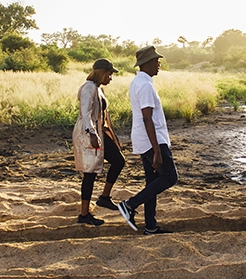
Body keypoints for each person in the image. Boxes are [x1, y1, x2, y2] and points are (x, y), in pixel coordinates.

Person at [117, 46, 178, 235]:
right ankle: (130, 204)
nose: (159, 64)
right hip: (153, 141)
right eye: (156, 61)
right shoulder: (145, 85)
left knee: (152, 182)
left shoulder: (138, 82)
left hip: (144, 140)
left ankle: (150, 226)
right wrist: (157, 151)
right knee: (170, 177)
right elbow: (147, 118)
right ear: (147, 63)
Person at [72, 58, 126, 226]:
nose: (111, 78)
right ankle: (84, 214)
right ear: (102, 73)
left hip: (99, 132)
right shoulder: (89, 88)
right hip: (89, 133)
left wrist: (111, 137)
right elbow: (85, 114)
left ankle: (104, 198)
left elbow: (102, 116)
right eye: (109, 74)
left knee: (118, 161)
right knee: (90, 172)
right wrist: (92, 134)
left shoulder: (97, 88)